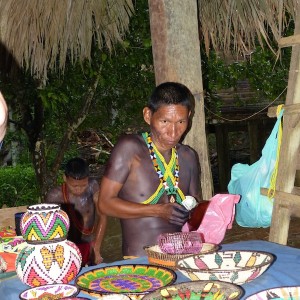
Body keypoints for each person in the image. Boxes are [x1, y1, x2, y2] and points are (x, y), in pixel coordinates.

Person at [98, 82, 202, 257]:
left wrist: (212, 210)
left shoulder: (188, 156)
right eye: (165, 121)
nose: (173, 131)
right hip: (141, 262)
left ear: (189, 116)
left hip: (182, 258)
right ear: (148, 115)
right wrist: (158, 210)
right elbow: (105, 203)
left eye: (181, 121)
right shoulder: (131, 149)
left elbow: (196, 207)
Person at [45, 157, 107, 266]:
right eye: (74, 186)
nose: (79, 189)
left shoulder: (93, 186)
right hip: (67, 248)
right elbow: (49, 228)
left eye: (83, 185)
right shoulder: (54, 196)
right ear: (65, 178)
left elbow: (103, 216)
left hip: (91, 244)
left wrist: (96, 249)